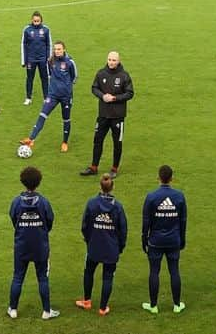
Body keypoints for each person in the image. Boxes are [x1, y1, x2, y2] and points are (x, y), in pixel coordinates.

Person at [7, 167, 59, 320]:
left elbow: (13, 219)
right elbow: (50, 221)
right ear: (38, 182)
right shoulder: (43, 202)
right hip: (40, 246)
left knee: (18, 277)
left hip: (21, 245)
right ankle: (46, 311)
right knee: (43, 278)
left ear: (23, 181)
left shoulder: (17, 202)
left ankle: (13, 309)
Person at [76, 174, 128, 314]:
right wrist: (120, 247)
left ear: (100, 186)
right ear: (112, 187)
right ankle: (103, 308)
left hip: (94, 246)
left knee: (89, 272)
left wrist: (89, 240)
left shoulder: (92, 203)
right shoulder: (117, 207)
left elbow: (84, 226)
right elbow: (123, 230)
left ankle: (86, 301)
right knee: (108, 276)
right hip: (111, 248)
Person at [80, 51, 135, 177]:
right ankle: (94, 167)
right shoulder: (101, 73)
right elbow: (94, 88)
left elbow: (130, 93)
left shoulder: (124, 76)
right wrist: (102, 96)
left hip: (118, 116)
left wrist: (114, 98)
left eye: (114, 60)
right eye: (110, 59)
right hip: (103, 115)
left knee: (117, 142)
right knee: (97, 140)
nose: (111, 62)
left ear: (119, 61)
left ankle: (114, 169)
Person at [141, 165, 186, 314]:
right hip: (173, 240)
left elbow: (146, 221)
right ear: (172, 178)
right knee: (174, 271)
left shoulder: (151, 197)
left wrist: (144, 239)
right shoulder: (179, 196)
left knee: (154, 272)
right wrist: (182, 239)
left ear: (158, 178)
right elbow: (183, 221)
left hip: (155, 241)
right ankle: (177, 305)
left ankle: (153, 306)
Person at [19, 41, 76, 155]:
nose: (57, 51)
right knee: (42, 115)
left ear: (64, 49)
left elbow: (74, 77)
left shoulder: (70, 62)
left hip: (66, 96)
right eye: (55, 49)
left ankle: (64, 142)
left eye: (59, 49)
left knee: (66, 119)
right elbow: (49, 74)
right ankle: (31, 139)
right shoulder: (51, 61)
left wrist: (66, 87)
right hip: (53, 95)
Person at [20, 11, 51, 105]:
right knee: (29, 78)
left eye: (38, 21)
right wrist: (23, 60)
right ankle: (28, 98)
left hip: (42, 59)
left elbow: (49, 44)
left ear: (41, 20)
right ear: (32, 20)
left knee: (44, 78)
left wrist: (49, 58)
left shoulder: (46, 29)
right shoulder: (27, 29)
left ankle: (46, 97)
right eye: (35, 21)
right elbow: (23, 44)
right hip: (31, 59)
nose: (36, 22)